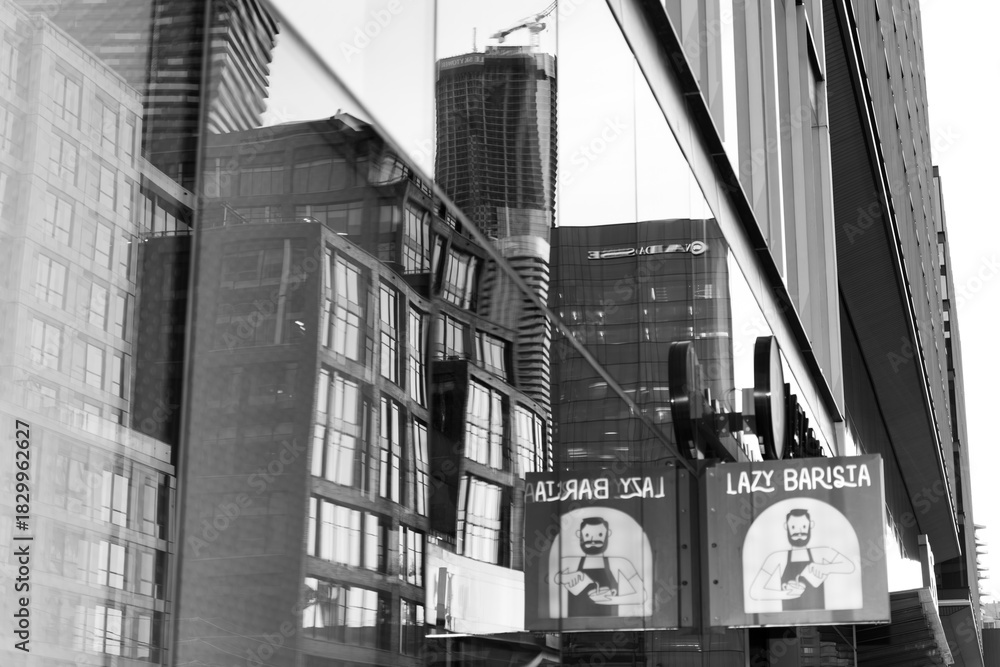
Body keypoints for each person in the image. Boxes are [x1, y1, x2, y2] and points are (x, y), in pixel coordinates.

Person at [748, 508, 856, 611]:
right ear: (786, 526)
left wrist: (826, 568)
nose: (799, 532)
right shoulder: (777, 557)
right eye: (794, 527)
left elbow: (850, 566)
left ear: (811, 525)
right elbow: (754, 592)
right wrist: (786, 594)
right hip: (787, 620)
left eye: (804, 527)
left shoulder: (822, 552)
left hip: (820, 618)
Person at [553, 516, 646, 617]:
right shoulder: (570, 562)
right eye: (587, 535)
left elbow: (642, 596)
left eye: (600, 534)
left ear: (608, 534)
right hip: (573, 625)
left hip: (612, 625)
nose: (593, 540)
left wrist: (610, 600)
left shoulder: (620, 563)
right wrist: (563, 577)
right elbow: (547, 578)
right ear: (579, 535)